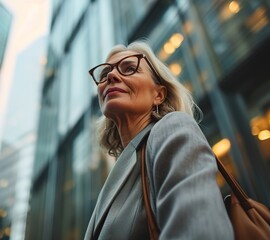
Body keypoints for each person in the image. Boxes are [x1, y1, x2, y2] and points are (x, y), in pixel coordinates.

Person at [84, 41, 234, 240]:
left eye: (129, 68)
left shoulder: (173, 127)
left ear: (159, 95)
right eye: (104, 75)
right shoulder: (120, 170)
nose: (110, 76)